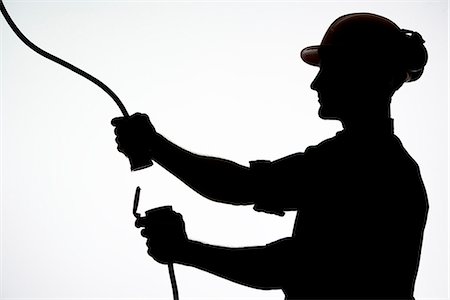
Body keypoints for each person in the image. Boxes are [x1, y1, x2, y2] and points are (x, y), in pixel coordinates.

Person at [112, 13, 429, 299]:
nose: (315, 82)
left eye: (330, 70)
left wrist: (184, 249)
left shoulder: (363, 164)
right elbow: (244, 189)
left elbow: (280, 254)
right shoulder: (369, 160)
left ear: (363, 74)